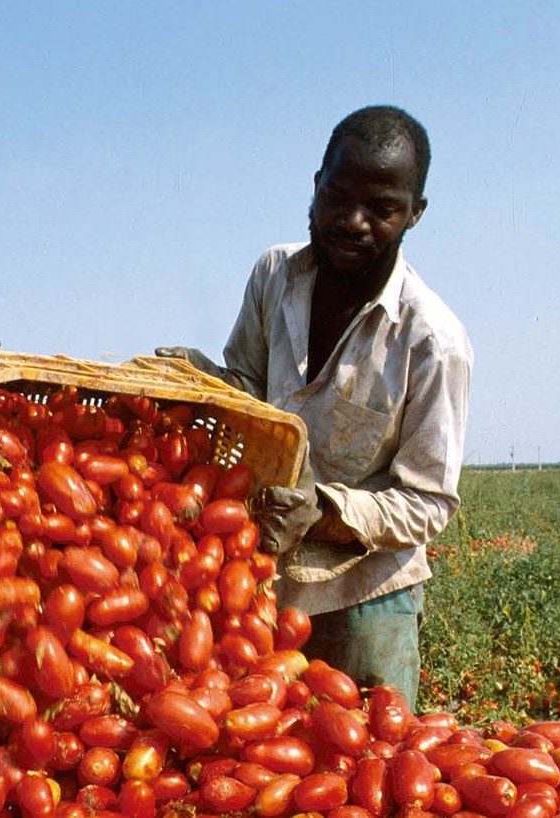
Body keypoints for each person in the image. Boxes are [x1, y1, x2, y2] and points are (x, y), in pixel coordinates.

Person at [158, 105, 471, 707]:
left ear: (414, 214)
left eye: (381, 209)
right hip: (261, 580)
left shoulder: (432, 339)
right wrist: (203, 382)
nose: (353, 222)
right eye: (338, 196)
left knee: (367, 767)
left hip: (365, 595)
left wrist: (324, 510)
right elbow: (248, 393)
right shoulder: (275, 275)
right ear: (316, 186)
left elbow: (429, 502)